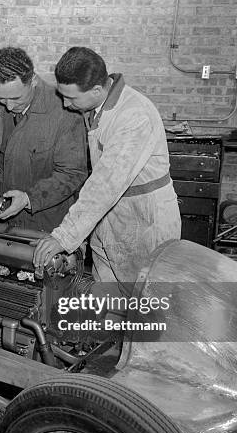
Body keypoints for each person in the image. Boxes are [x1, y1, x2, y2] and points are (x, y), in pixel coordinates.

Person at [33, 47, 181, 292]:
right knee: (107, 304)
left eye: (72, 98)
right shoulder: (96, 106)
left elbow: (105, 184)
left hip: (143, 223)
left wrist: (65, 235)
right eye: (62, 95)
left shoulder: (134, 116)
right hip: (111, 220)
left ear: (97, 90)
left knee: (143, 306)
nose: (65, 104)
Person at [0, 46, 87, 232]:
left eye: (16, 98)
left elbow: (72, 173)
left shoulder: (64, 111)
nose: (9, 106)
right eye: (2, 98)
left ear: (33, 81)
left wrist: (29, 198)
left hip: (43, 224)